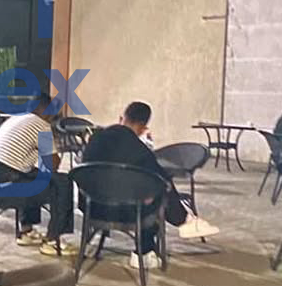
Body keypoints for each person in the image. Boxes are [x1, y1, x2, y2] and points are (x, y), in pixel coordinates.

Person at [81, 102, 220, 269]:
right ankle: (146, 250)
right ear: (142, 127)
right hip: (127, 213)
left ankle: (184, 220)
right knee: (159, 192)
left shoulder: (95, 139)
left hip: (92, 208)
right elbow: (159, 181)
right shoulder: (140, 150)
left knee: (151, 188)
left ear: (121, 118)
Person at [0, 93, 75, 257]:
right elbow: (53, 166)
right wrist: (54, 146)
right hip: (6, 188)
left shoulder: (14, 119)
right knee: (63, 182)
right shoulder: (40, 125)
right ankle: (53, 241)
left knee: (32, 174)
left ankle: (26, 231)